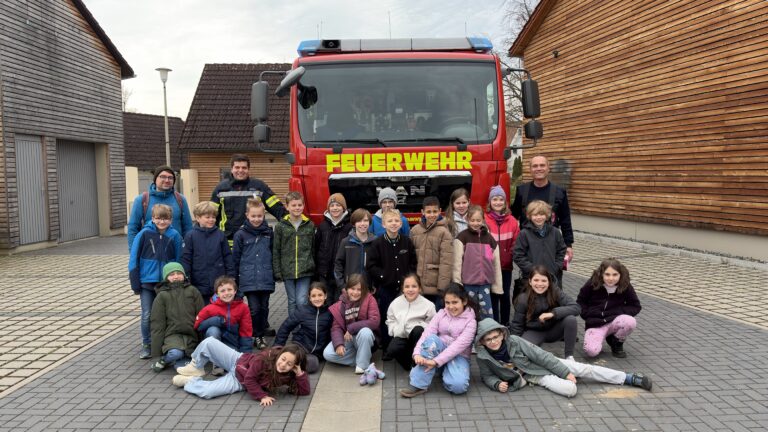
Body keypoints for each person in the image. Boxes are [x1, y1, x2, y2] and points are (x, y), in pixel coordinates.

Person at [475, 318, 652, 397]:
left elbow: (542, 356)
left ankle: (628, 378)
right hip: (535, 376)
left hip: (549, 363)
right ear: (482, 342)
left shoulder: (514, 341)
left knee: (585, 369)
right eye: (488, 339)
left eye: (495, 336)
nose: (493, 341)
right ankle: (571, 378)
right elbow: (486, 376)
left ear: (502, 334)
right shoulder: (483, 357)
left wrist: (564, 372)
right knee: (570, 390)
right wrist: (496, 384)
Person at [173, 338, 309, 405]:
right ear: (280, 354)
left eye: (289, 364)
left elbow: (304, 392)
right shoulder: (265, 358)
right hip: (238, 359)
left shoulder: (290, 374)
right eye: (283, 359)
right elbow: (251, 377)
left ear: (294, 366)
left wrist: (299, 374)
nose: (283, 364)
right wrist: (262, 396)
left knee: (208, 392)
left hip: (239, 380)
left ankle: (191, 381)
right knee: (209, 342)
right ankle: (196, 367)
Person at [399, 283, 478, 397]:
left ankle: (443, 370)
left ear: (464, 301)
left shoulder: (471, 322)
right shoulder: (441, 314)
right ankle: (418, 384)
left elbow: (457, 347)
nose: (450, 307)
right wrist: (416, 353)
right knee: (432, 340)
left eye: (455, 302)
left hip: (458, 355)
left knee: (458, 386)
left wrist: (436, 362)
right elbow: (427, 333)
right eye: (447, 302)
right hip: (438, 351)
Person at [128, 203, 183, 359]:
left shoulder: (175, 235)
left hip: (167, 283)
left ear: (171, 220)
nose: (162, 222)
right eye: (158, 218)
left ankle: (164, 342)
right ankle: (147, 344)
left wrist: (179, 279)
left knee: (167, 315)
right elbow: (134, 259)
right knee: (147, 314)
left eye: (165, 219)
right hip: (147, 282)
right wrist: (135, 282)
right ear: (152, 218)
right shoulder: (144, 234)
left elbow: (179, 259)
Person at [367, 208, 417, 348]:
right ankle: (387, 348)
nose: (393, 223)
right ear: (384, 224)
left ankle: (405, 347)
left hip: (404, 290)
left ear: (401, 224)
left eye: (396, 221)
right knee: (387, 317)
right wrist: (384, 276)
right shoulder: (377, 243)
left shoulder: (407, 242)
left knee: (405, 317)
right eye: (390, 221)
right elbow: (371, 266)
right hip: (386, 288)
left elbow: (413, 263)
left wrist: (408, 281)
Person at [511, 155, 574, 262]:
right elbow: (513, 217)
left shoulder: (559, 192)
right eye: (535, 166)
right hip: (527, 247)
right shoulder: (522, 190)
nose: (539, 168)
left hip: (551, 246)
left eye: (542, 165)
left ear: (548, 168)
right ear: (530, 169)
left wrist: (568, 244)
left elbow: (565, 220)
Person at [210, 154, 287, 241]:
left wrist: (291, 223)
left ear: (248, 169)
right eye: (237, 167)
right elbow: (210, 214)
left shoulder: (259, 187)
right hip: (228, 241)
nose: (240, 170)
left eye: (244, 168)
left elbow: (278, 209)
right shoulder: (221, 189)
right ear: (231, 169)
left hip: (254, 240)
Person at [509, 266, 580, 359]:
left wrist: (553, 313)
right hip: (534, 331)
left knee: (571, 319)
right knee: (522, 352)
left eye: (544, 281)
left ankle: (569, 357)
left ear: (549, 282)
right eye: (536, 280)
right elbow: (517, 325)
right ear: (530, 281)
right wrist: (513, 345)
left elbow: (576, 307)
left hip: (554, 330)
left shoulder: (555, 291)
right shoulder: (523, 298)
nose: (540, 284)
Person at [577, 258, 642, 358]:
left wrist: (618, 312)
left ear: (620, 274)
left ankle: (616, 342)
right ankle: (602, 338)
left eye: (615, 275)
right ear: (601, 274)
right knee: (591, 352)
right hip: (596, 324)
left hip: (614, 321)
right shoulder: (592, 283)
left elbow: (635, 306)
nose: (611, 278)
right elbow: (580, 301)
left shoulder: (625, 285)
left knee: (630, 322)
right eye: (607, 274)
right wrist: (588, 315)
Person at [232, 198, 275, 349]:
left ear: (264, 215)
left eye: (259, 216)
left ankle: (260, 333)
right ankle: (257, 335)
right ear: (247, 215)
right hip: (248, 278)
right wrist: (235, 279)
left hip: (265, 277)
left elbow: (273, 254)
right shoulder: (240, 235)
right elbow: (235, 258)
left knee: (264, 308)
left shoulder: (269, 233)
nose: (256, 219)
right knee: (254, 309)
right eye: (253, 216)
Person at [149, 262, 205, 372]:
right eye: (172, 274)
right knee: (176, 353)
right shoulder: (162, 296)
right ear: (166, 277)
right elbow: (157, 325)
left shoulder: (193, 291)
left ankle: (181, 362)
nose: (176, 276)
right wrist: (156, 355)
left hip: (191, 335)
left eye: (179, 273)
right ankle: (164, 360)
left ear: (184, 275)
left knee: (187, 359)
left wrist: (202, 340)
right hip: (172, 336)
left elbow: (201, 315)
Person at [323, 274, 380, 374]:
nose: (355, 292)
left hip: (364, 339)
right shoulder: (341, 304)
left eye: (359, 289)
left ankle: (362, 366)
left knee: (365, 332)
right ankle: (362, 358)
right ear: (347, 289)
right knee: (327, 354)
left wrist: (351, 328)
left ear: (364, 290)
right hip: (348, 339)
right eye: (352, 289)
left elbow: (374, 321)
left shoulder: (370, 299)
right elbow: (336, 327)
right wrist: (339, 344)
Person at [452, 205, 501, 320]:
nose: (475, 223)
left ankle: (488, 329)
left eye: (478, 220)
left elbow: (494, 263)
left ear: (483, 220)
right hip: (468, 283)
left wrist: (497, 285)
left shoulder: (489, 239)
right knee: (469, 311)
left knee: (486, 312)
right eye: (472, 220)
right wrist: (457, 283)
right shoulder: (462, 237)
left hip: (485, 284)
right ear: (467, 220)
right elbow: (457, 263)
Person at [181, 201, 235, 305]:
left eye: (213, 217)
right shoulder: (190, 236)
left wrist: (230, 277)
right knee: (202, 310)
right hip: (198, 283)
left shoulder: (220, 235)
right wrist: (187, 279)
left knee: (219, 309)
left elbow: (227, 257)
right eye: (207, 217)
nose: (211, 220)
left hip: (219, 283)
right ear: (198, 218)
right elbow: (186, 259)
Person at [126, 165, 193, 249]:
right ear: (155, 179)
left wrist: (187, 250)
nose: (167, 180)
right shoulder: (142, 200)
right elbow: (133, 228)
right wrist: (134, 251)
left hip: (175, 250)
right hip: (149, 251)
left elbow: (188, 227)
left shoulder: (180, 199)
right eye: (163, 177)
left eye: (170, 178)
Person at [273, 191, 315, 319]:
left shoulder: (309, 225)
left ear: (303, 206)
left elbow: (313, 247)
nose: (297, 208)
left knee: (302, 301)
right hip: (287, 271)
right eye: (294, 205)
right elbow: (276, 249)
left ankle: (303, 326)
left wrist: (313, 265)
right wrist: (277, 271)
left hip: (305, 269)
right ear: (287, 207)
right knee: (292, 301)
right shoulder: (280, 226)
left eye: (299, 205)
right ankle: (294, 327)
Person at [274, 282, 333, 373]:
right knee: (305, 362)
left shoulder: (330, 312)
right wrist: (277, 346)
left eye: (320, 295)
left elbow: (335, 330)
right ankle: (288, 364)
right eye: (313, 296)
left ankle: (292, 365)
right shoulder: (302, 311)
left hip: (318, 352)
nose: (317, 298)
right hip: (301, 346)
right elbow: (285, 327)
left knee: (313, 365)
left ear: (325, 296)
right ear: (309, 297)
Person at [484, 185, 520, 326]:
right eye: (495, 199)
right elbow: (482, 242)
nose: (498, 202)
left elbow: (516, 243)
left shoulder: (512, 221)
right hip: (490, 266)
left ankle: (505, 323)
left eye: (501, 199)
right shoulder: (485, 219)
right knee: (492, 295)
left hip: (505, 266)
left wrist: (508, 257)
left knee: (504, 295)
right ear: (490, 202)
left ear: (505, 202)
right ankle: (494, 324)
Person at [384, 274, 436, 370]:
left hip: (418, 338)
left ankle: (417, 362)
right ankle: (408, 363)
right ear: (403, 289)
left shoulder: (429, 305)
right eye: (407, 286)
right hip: (401, 336)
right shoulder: (395, 303)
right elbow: (390, 320)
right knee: (392, 350)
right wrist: (395, 330)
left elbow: (432, 324)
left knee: (418, 330)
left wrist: (416, 327)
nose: (410, 289)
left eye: (414, 286)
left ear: (419, 288)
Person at [513, 200, 567, 292]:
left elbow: (562, 250)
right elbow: (518, 255)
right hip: (532, 278)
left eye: (541, 214)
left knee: (552, 299)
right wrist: (532, 269)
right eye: (535, 215)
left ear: (547, 215)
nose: (538, 217)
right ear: (529, 216)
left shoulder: (555, 232)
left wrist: (556, 266)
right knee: (532, 300)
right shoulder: (524, 234)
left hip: (552, 277)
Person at [410, 196, 453, 308]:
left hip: (436, 288)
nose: (432, 214)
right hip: (418, 285)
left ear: (440, 211)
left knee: (436, 315)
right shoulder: (415, 231)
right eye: (428, 212)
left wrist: (442, 287)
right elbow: (410, 258)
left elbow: (446, 262)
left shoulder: (444, 232)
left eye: (435, 211)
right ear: (422, 212)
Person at [194, 276, 253, 353]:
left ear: (235, 291)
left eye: (229, 289)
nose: (226, 293)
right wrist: (216, 320)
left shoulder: (243, 308)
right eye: (222, 291)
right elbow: (198, 326)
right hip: (215, 342)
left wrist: (245, 354)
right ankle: (213, 356)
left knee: (234, 357)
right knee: (213, 330)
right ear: (217, 294)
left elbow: (246, 331)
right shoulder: (209, 308)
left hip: (232, 342)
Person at [314, 193, 352, 304]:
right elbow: (316, 248)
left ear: (343, 208)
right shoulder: (323, 226)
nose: (335, 208)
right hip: (324, 274)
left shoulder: (349, 227)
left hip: (341, 274)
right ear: (328, 208)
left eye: (338, 205)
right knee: (325, 302)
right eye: (332, 205)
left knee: (339, 303)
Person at [333, 208, 377, 298]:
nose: (362, 224)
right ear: (354, 223)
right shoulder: (346, 242)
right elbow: (338, 265)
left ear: (369, 222)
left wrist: (375, 284)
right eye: (359, 221)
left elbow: (379, 265)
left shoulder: (375, 242)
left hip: (368, 288)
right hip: (350, 289)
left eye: (365, 220)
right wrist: (342, 286)